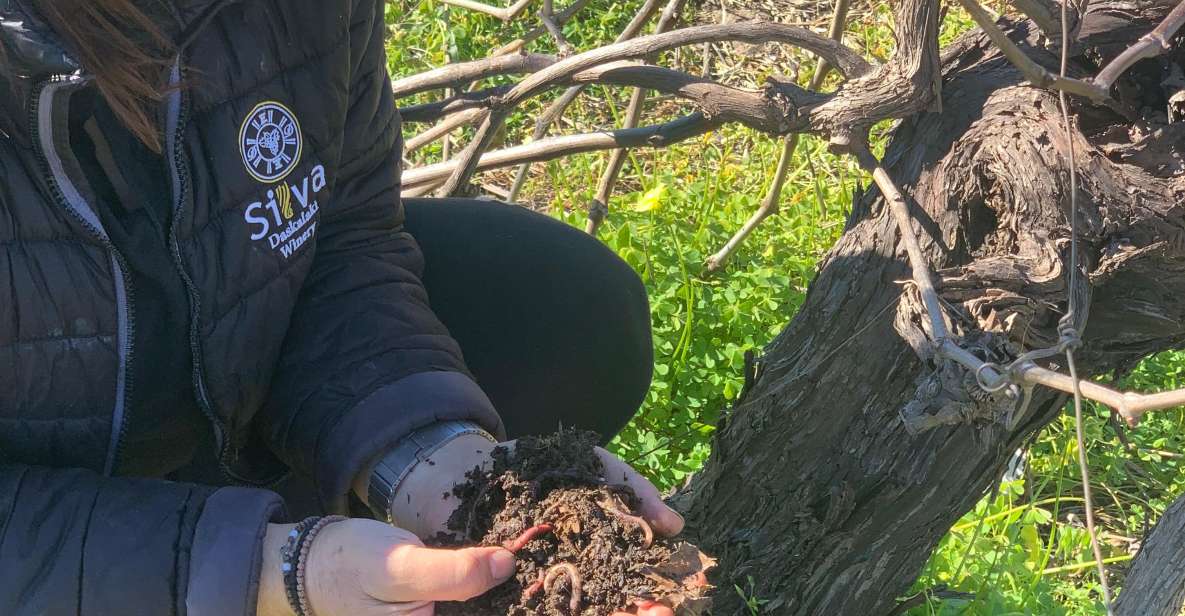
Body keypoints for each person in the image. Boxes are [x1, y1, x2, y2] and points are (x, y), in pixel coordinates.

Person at [0, 1, 681, 614]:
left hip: (212, 415)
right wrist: (261, 570)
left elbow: (335, 236)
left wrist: (427, 456)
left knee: (563, 303)